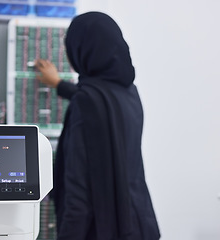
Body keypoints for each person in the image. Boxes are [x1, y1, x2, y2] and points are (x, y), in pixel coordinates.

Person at [34, 12, 160, 240]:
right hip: (139, 223)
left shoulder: (87, 102)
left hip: (103, 229)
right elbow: (98, 105)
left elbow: (79, 195)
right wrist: (60, 85)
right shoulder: (128, 92)